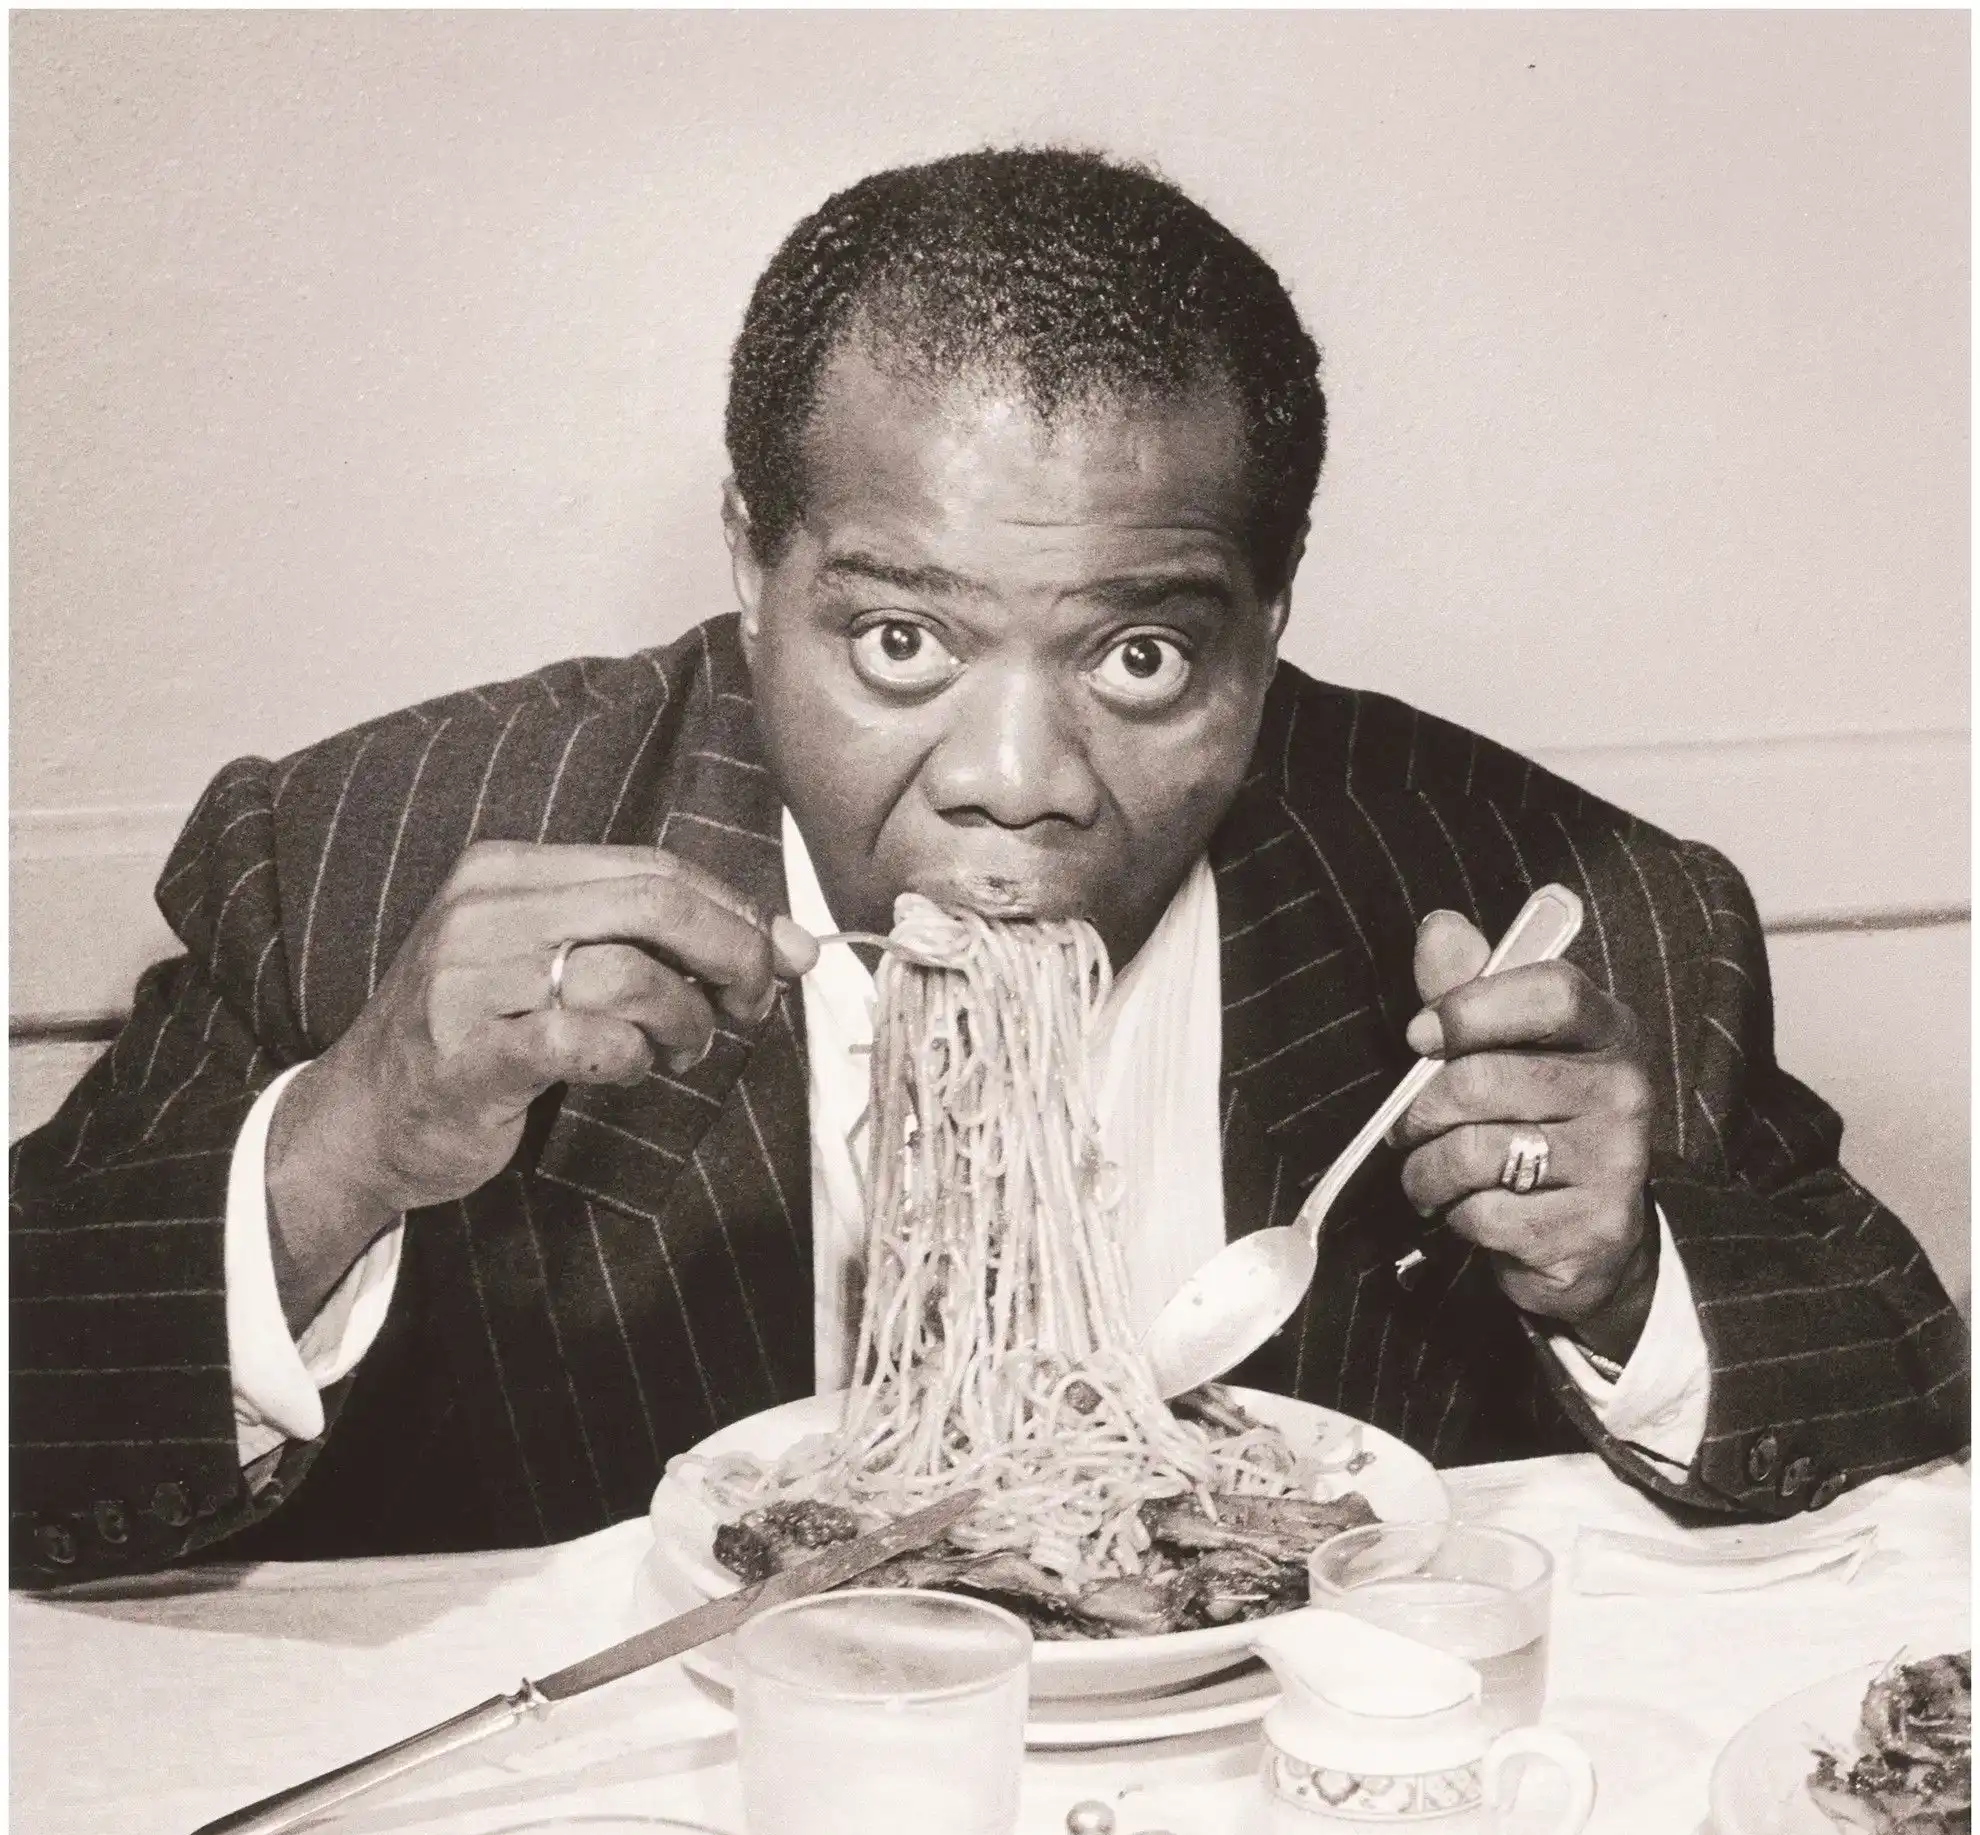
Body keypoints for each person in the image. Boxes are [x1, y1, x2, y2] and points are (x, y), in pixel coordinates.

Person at [11, 148, 1965, 1588]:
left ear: (1268, 626)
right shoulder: (365, 860)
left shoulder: (1582, 901)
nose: (1016, 784)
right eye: (898, 643)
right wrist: (345, 1146)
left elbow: (1900, 1402)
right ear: (748, 565)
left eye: (1139, 655)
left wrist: (1631, 1270)